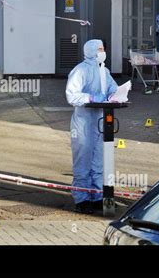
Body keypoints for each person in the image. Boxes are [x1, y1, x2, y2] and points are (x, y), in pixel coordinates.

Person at [65, 39, 118, 214]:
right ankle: (82, 199)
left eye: (103, 48)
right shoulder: (80, 70)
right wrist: (91, 98)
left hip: (101, 122)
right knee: (83, 162)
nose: (103, 52)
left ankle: (97, 196)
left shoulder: (104, 70)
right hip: (83, 123)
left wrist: (117, 94)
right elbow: (72, 96)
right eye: (100, 49)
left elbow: (113, 88)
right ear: (91, 51)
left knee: (98, 162)